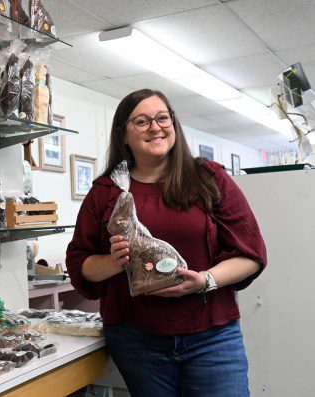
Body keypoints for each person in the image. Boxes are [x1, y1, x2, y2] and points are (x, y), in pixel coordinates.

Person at [66, 89, 267, 397]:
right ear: (123, 134)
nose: (155, 127)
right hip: (136, 338)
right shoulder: (105, 191)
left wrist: (204, 280)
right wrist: (113, 262)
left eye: (162, 117)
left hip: (211, 335)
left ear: (173, 123)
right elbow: (81, 264)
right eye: (141, 121)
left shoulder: (209, 179)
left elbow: (250, 253)